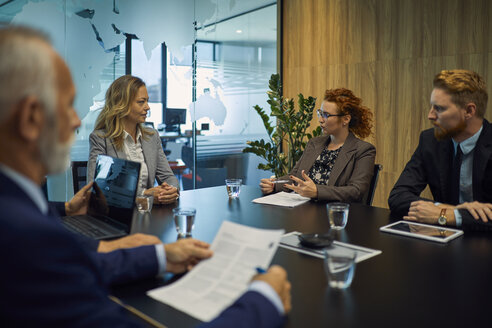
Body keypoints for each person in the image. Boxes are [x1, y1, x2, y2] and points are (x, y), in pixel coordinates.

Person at [0, 26, 291, 327]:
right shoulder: (23, 235)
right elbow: (67, 247)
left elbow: (76, 262)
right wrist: (264, 299)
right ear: (31, 117)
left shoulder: (25, 208)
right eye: (68, 105)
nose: (76, 121)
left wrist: (159, 257)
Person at [388, 69, 492, 231]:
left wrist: (448, 216)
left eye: (440, 109)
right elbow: (398, 196)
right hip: (443, 241)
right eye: (431, 107)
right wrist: (445, 209)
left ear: (469, 111)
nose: (430, 115)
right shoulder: (430, 141)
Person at [260, 88, 376, 202]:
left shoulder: (363, 150)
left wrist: (317, 192)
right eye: (320, 113)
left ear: (345, 119)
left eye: (326, 115)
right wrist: (274, 185)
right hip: (301, 209)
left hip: (332, 213)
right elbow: (295, 177)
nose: (320, 120)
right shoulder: (314, 143)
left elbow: (356, 191)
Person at [88, 75, 179, 205]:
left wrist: (171, 191)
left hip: (148, 215)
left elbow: (168, 177)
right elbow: (97, 190)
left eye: (147, 101)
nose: (147, 107)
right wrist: (146, 195)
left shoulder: (152, 137)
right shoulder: (100, 139)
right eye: (141, 102)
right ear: (122, 104)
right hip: (118, 217)